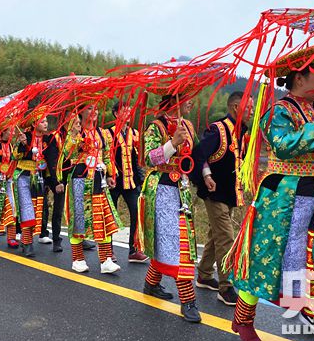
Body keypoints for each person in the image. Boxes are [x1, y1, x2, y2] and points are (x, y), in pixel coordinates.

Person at [226, 44, 314, 341]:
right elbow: (283, 146)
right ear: (299, 78)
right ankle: (243, 318)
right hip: (283, 199)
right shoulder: (278, 111)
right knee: (266, 262)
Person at [137, 96, 201, 323]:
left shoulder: (188, 125)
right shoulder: (156, 126)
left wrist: (205, 174)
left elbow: (197, 153)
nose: (191, 102)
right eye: (187, 98)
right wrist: (172, 144)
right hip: (162, 189)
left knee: (169, 241)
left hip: (181, 189)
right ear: (175, 99)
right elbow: (149, 158)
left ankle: (151, 283)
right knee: (178, 243)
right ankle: (188, 300)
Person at [191, 91, 253, 306]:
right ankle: (226, 286)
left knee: (215, 234)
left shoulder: (242, 133)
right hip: (214, 192)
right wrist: (206, 175)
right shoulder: (218, 130)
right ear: (236, 107)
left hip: (229, 193)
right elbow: (198, 154)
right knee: (226, 236)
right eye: (249, 107)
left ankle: (204, 274)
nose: (251, 111)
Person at [62, 107, 122, 274]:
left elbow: (107, 155)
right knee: (79, 218)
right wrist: (74, 135)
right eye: (89, 108)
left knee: (103, 217)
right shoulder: (75, 132)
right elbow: (66, 154)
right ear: (81, 112)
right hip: (80, 179)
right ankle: (78, 259)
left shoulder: (103, 133)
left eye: (96, 108)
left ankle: (106, 260)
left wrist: (110, 174)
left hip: (98, 179)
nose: (94, 111)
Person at [104, 101, 148, 263]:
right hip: (114, 181)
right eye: (124, 110)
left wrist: (142, 179)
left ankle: (134, 250)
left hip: (132, 181)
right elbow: (105, 156)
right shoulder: (107, 134)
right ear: (116, 113)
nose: (128, 113)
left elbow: (139, 159)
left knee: (137, 213)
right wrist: (108, 175)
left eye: (130, 110)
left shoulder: (135, 133)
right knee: (110, 216)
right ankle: (108, 250)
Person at [13, 111, 56, 257]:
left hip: (38, 178)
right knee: (27, 208)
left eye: (46, 121)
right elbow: (15, 156)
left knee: (37, 210)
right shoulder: (25, 136)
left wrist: (53, 181)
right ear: (33, 124)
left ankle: (26, 240)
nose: (46, 124)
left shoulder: (48, 139)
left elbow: (51, 160)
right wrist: (22, 144)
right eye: (42, 121)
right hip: (23, 175)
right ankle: (28, 243)